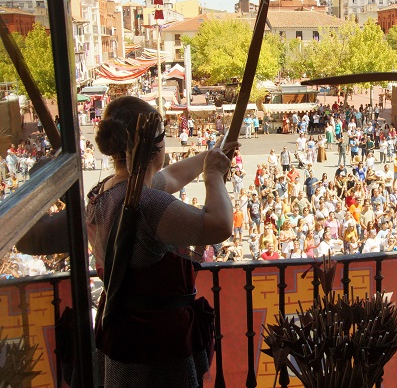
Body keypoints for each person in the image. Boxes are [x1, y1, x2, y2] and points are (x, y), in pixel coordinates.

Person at [17, 96, 237, 387]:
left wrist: (212, 156)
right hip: (154, 343)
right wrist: (212, 175)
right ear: (153, 145)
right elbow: (220, 226)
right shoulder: (146, 203)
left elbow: (170, 176)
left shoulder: (110, 188)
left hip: (123, 328)